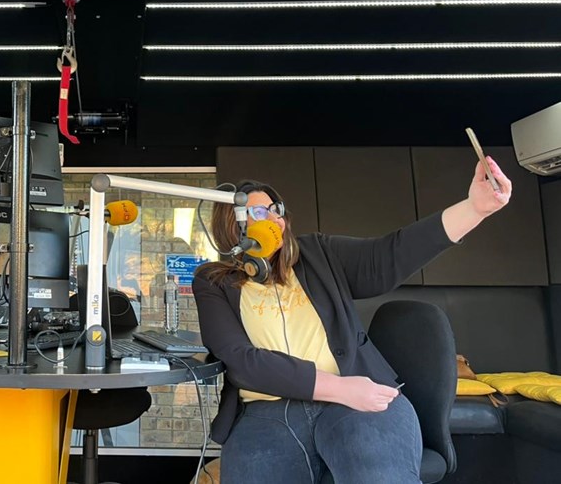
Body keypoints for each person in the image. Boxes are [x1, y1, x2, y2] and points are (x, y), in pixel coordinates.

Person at [193, 157, 512, 484]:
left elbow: (390, 254)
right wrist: (339, 388)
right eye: (260, 213)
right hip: (268, 412)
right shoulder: (213, 282)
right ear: (233, 225)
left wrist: (474, 208)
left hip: (359, 399)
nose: (275, 219)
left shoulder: (318, 254)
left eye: (277, 210)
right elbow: (242, 362)